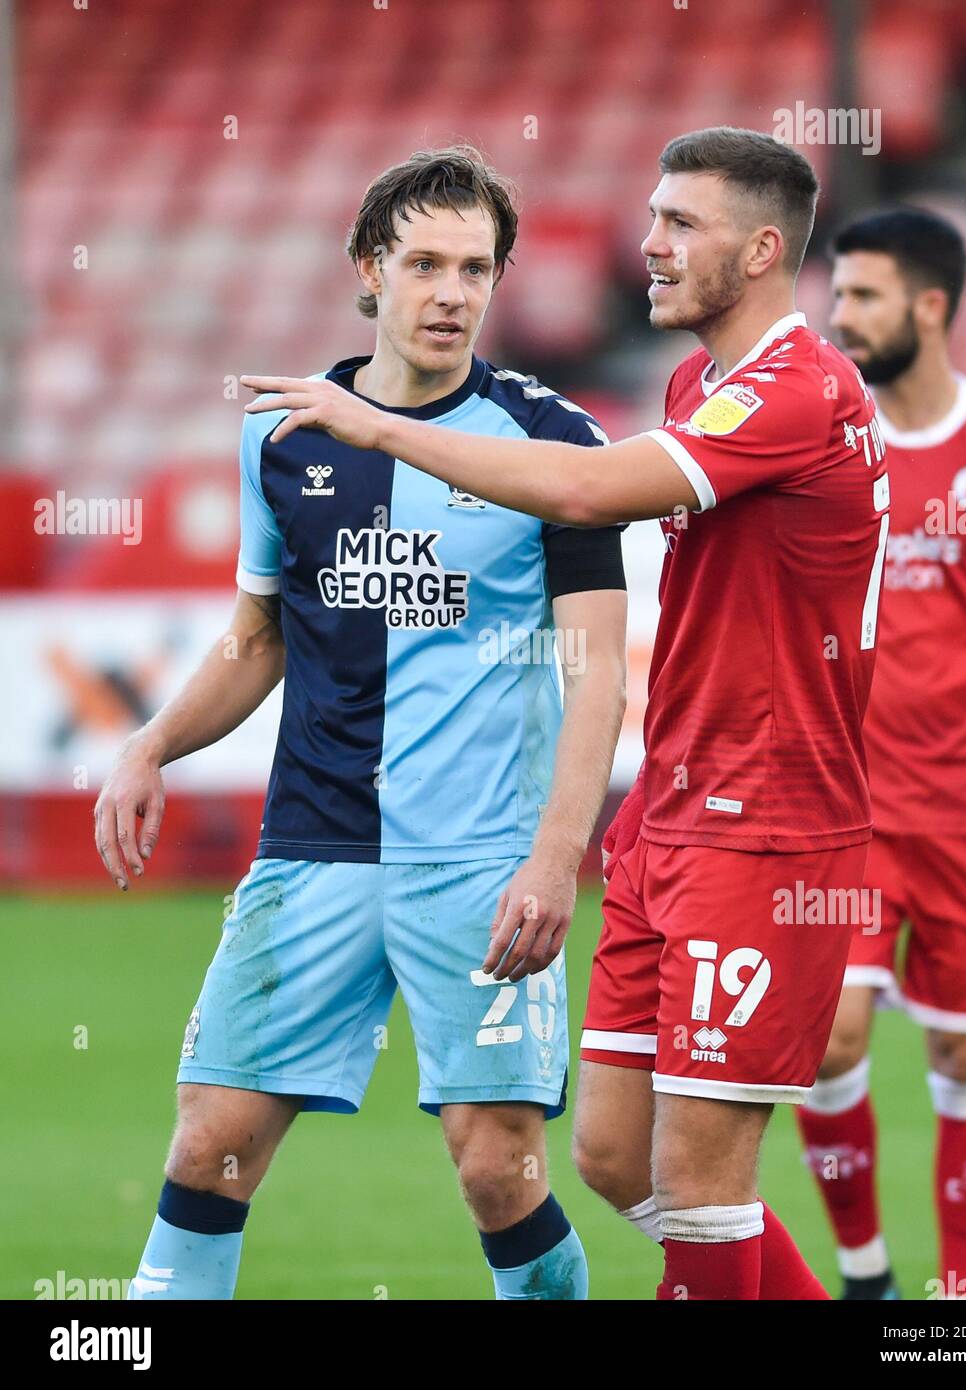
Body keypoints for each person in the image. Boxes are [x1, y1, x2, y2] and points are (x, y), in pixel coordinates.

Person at [242, 125, 889, 1300]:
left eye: (678, 224)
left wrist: (379, 427)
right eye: (651, 217)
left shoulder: (805, 386)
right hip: (668, 814)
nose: (646, 243)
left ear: (757, 251)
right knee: (607, 1154)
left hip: (767, 825)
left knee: (701, 1184)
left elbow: (590, 486)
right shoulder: (703, 384)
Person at [95, 146, 628, 1301]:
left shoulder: (557, 445)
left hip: (483, 859)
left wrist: (554, 856)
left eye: (476, 268)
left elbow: (598, 670)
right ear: (368, 271)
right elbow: (258, 638)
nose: (451, 292)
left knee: (498, 1166)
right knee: (210, 1143)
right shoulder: (284, 438)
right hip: (313, 846)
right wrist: (150, 745)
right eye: (425, 263)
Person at [795, 207, 966, 1300]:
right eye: (838, 294)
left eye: (861, 296)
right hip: (849, 810)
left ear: (931, 305)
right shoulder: (819, 446)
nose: (839, 316)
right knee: (827, 1039)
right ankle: (866, 1279)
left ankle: (961, 1310)